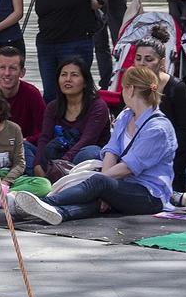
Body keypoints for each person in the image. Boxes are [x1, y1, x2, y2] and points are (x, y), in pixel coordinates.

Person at [14, 65, 177, 225]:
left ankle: (46, 202)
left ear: (131, 89)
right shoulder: (126, 116)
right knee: (98, 195)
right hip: (124, 184)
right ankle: (58, 213)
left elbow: (129, 167)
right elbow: (111, 151)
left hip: (150, 195)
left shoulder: (157, 128)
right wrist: (104, 189)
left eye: (123, 88)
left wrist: (102, 183)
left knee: (99, 182)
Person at [130, 39, 186, 195]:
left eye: (149, 59)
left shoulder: (177, 88)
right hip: (137, 150)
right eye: (138, 58)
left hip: (171, 154)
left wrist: (158, 152)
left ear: (161, 62)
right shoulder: (130, 85)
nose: (142, 64)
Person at [32, 60, 110, 182]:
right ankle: (44, 180)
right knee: (26, 147)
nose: (68, 79)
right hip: (57, 154)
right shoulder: (53, 106)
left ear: (85, 82)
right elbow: (45, 137)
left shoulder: (98, 106)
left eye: (74, 75)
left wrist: (60, 165)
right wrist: (37, 165)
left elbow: (88, 140)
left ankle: (60, 181)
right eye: (63, 75)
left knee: (90, 152)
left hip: (80, 158)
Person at [0, 47, 47, 144]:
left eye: (12, 68)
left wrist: (22, 142)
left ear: (22, 72)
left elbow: (45, 131)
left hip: (23, 147)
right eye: (2, 68)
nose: (7, 73)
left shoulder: (32, 94)